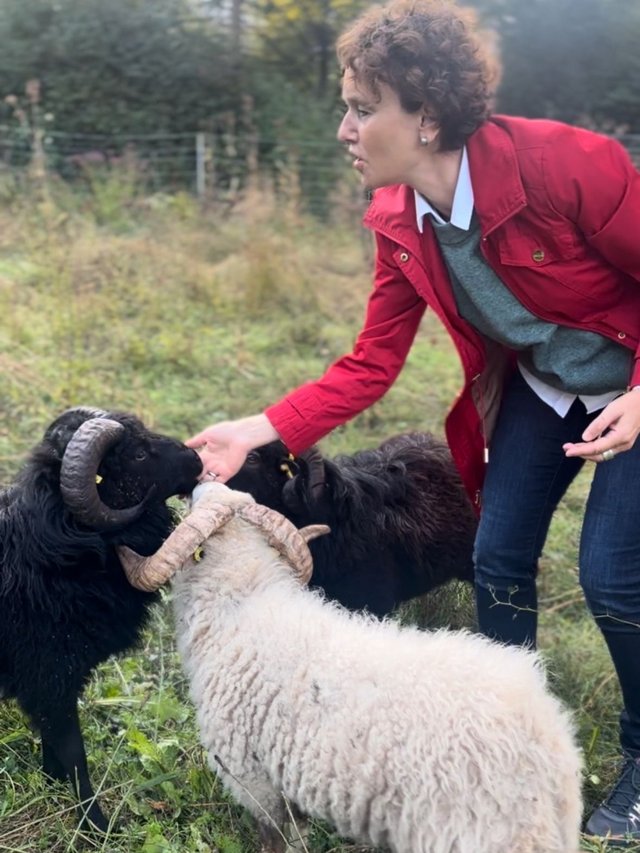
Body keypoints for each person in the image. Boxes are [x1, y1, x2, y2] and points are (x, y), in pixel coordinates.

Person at [187, 0, 640, 841]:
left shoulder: (569, 164)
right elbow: (370, 363)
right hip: (546, 388)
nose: (343, 128)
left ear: (426, 117)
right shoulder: (398, 222)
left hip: (636, 382)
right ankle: (514, 728)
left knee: (612, 576)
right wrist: (259, 428)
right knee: (496, 552)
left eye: (362, 108)